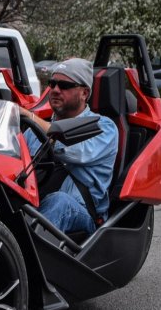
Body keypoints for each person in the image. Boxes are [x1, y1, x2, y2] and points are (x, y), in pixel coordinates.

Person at [22, 58, 118, 235]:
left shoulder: (103, 127)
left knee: (59, 202)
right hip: (34, 201)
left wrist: (31, 117)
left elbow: (75, 151)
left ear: (84, 93)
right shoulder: (33, 130)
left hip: (81, 212)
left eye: (64, 85)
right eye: (52, 84)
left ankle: (23, 259)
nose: (55, 90)